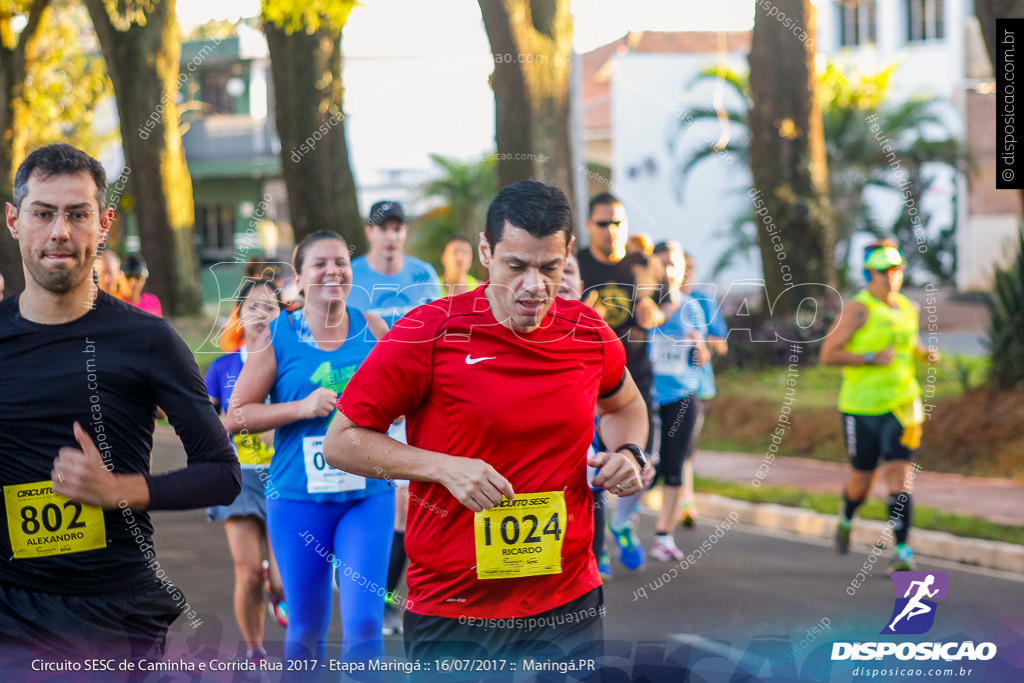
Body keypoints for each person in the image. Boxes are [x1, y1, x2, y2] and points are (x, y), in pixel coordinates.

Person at [324, 180, 651, 662]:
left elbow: (625, 405)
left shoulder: (587, 331)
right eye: (515, 266)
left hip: (567, 600)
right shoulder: (428, 332)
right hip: (455, 607)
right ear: (486, 251)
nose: (533, 286)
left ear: (567, 255)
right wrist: (443, 468)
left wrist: (628, 453)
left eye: (549, 267)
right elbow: (341, 442)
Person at [0, 143, 240, 666]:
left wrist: (118, 491)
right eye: (43, 213)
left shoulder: (148, 340)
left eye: (77, 214)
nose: (60, 231)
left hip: (110, 613)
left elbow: (222, 472)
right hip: (9, 603)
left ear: (103, 223)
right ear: (15, 221)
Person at [229, 231, 394, 667]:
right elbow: (236, 414)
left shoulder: (374, 328)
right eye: (319, 264)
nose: (332, 271)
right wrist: (300, 407)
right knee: (306, 626)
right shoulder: (278, 334)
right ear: (299, 278)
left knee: (363, 625)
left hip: (367, 496)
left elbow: (405, 401)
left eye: (340, 262)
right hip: (299, 499)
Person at [346, 200, 441, 637]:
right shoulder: (353, 275)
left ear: (404, 233)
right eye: (382, 228)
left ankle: (386, 598)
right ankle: (359, 586)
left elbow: (440, 335)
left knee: (408, 507)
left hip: (418, 401)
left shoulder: (424, 276)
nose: (390, 235)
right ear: (370, 233)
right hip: (369, 400)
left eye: (397, 227)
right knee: (369, 498)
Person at [821, 241, 937, 573]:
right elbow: (828, 354)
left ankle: (902, 551)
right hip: (860, 409)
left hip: (902, 405)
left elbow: (907, 343)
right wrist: (869, 358)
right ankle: (846, 517)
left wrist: (922, 354)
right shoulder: (858, 310)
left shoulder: (908, 308)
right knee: (863, 481)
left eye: (897, 270)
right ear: (870, 274)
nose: (892, 277)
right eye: (885, 272)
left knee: (899, 475)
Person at [578, 193, 666, 571]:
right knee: (589, 470)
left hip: (634, 383)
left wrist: (654, 314)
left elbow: (662, 306)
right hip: (585, 384)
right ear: (588, 226)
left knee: (642, 464)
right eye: (603, 223)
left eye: (618, 223)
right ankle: (594, 553)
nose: (611, 230)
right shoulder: (576, 264)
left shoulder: (644, 265)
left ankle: (621, 525)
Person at [205, 278, 288, 668]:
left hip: (286, 478)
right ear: (239, 314)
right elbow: (206, 424)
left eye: (270, 307)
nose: (261, 315)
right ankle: (254, 653)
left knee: (281, 580)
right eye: (253, 306)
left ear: (282, 316)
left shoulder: (290, 365)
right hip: (238, 478)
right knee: (250, 573)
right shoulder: (222, 367)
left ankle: (279, 591)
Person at [653, 243, 729, 527]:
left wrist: (697, 344)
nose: (682, 273)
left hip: (696, 388)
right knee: (657, 457)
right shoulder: (647, 305)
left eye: (687, 267)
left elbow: (718, 347)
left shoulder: (699, 303)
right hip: (653, 394)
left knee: (684, 452)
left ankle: (685, 503)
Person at [647, 247, 710, 561]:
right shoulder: (641, 307)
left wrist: (697, 347)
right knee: (644, 468)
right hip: (644, 399)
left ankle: (664, 536)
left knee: (674, 469)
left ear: (681, 268)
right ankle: (622, 524)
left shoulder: (691, 307)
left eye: (672, 263)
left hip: (682, 397)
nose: (667, 269)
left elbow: (703, 357)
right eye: (660, 263)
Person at [558, 253, 613, 582]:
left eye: (568, 272)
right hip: (528, 479)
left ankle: (595, 557)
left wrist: (627, 450)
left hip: (585, 466)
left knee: (583, 571)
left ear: (580, 286)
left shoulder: (595, 336)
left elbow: (617, 401)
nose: (562, 278)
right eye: (555, 270)